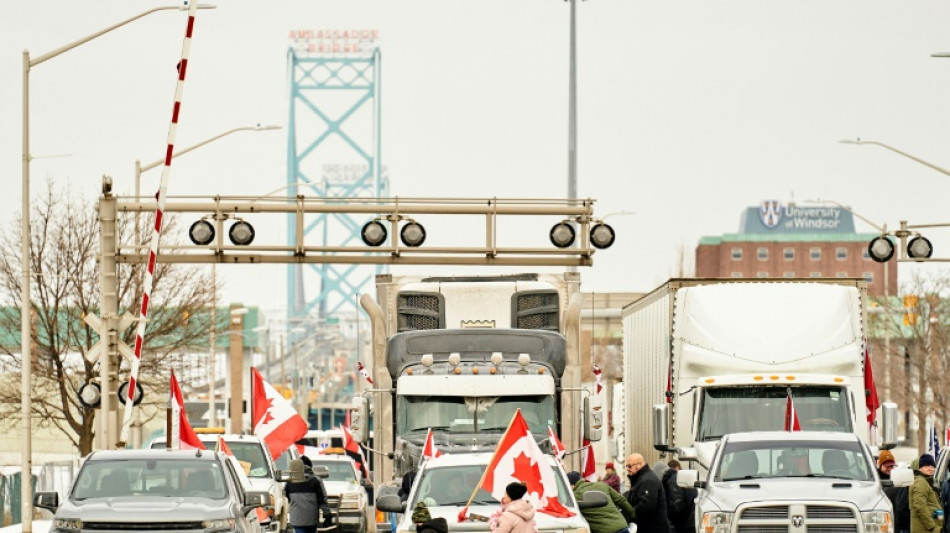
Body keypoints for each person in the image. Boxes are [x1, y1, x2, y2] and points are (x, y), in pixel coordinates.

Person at [568, 471, 635, 533]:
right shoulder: (602, 485)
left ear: (572, 485)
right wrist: (633, 515)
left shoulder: (573, 496)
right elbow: (621, 500)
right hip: (622, 527)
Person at [624, 453, 672, 533]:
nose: (627, 469)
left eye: (629, 466)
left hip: (654, 529)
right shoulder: (640, 479)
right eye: (626, 466)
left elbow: (646, 506)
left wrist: (630, 515)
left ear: (639, 465)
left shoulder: (647, 480)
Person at [284, 457, 332, 533]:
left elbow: (286, 498)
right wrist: (327, 514)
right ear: (310, 467)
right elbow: (323, 500)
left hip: (296, 519)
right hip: (312, 519)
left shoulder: (290, 482)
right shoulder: (315, 481)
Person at [910, 453, 943, 533]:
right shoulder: (920, 483)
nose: (930, 468)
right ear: (920, 468)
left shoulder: (926, 481)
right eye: (927, 466)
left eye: (932, 466)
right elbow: (920, 506)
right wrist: (932, 526)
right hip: (925, 529)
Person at [879, 450, 910, 533]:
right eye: (886, 466)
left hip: (896, 523)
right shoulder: (875, 480)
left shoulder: (898, 478)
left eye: (891, 466)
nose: (889, 469)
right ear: (880, 465)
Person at [664, 460, 696, 533]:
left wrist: (667, 515)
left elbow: (677, 505)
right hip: (692, 519)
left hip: (685, 522)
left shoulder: (674, 480)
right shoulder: (684, 477)